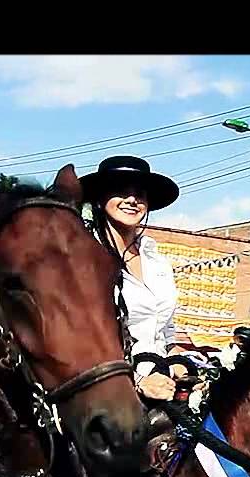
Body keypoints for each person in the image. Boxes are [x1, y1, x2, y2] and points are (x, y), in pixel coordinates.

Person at [79, 155, 183, 402]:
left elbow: (167, 335)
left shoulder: (157, 261)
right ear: (100, 199)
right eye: (121, 191)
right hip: (103, 393)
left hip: (162, 386)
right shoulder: (83, 259)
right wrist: (137, 381)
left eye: (140, 194)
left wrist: (182, 363)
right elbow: (79, 339)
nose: (132, 200)